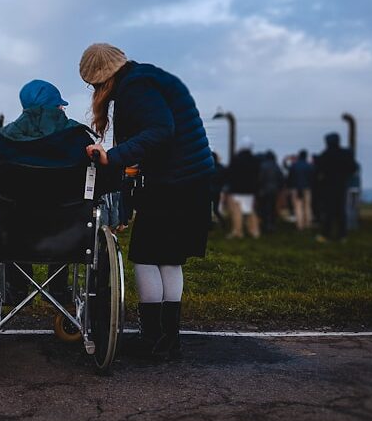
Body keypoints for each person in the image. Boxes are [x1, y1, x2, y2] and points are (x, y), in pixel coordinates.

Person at [80, 43, 214, 360]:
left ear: (103, 78)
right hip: (191, 179)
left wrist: (111, 157)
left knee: (145, 256)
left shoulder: (135, 88)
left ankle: (153, 335)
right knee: (168, 258)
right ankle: (168, 338)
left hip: (174, 181)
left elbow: (160, 130)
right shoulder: (147, 78)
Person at [0, 79, 106, 305]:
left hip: (14, 235)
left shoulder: (3, 141)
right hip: (69, 235)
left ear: (25, 107)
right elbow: (102, 182)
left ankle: (16, 286)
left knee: (11, 218)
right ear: (57, 107)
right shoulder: (78, 139)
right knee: (67, 214)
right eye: (61, 105)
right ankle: (59, 288)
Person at [315, 133, 358, 242]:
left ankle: (326, 235)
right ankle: (342, 235)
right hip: (342, 184)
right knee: (341, 211)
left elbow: (318, 170)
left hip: (328, 186)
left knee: (328, 211)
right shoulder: (345, 154)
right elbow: (353, 168)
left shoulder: (325, 154)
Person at [225, 137, 261, 238]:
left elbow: (230, 174)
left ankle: (238, 231)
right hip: (250, 190)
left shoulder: (236, 159)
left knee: (237, 211)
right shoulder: (255, 160)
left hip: (237, 190)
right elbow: (257, 175)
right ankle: (255, 231)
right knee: (250, 210)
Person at [257, 150, 284, 233]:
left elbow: (260, 179)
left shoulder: (262, 166)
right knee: (272, 207)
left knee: (265, 208)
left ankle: (266, 225)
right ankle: (272, 224)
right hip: (274, 190)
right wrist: (279, 188)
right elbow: (281, 179)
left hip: (264, 190)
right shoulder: (277, 166)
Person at [287, 150, 314, 230]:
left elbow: (290, 177)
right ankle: (308, 223)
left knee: (298, 207)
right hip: (307, 188)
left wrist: (290, 187)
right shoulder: (309, 166)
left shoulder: (294, 165)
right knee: (307, 206)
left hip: (296, 188)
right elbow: (312, 178)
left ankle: (300, 225)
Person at [210, 151, 226, 228]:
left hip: (208, 191)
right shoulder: (221, 168)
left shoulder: (208, 168)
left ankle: (210, 224)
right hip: (218, 191)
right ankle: (223, 223)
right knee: (216, 209)